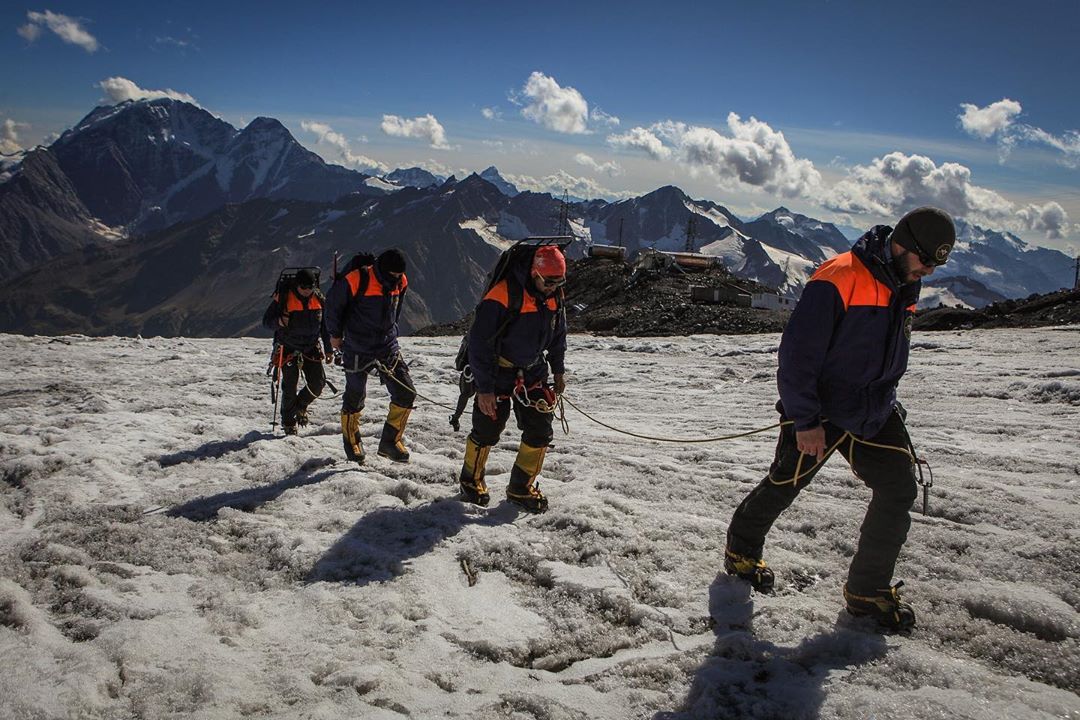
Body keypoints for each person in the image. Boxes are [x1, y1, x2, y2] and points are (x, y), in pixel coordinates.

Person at [723, 207, 956, 631]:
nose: (929, 271)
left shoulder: (905, 282)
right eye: (926, 260)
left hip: (872, 411)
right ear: (902, 245)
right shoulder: (839, 276)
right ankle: (741, 552)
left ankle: (867, 592)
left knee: (898, 489)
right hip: (820, 412)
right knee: (784, 484)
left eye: (937, 264)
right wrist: (805, 419)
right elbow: (797, 354)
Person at [457, 245, 568, 513]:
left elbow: (558, 335)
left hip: (533, 372)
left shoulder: (553, 297)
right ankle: (470, 481)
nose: (554, 287)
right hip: (497, 374)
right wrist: (484, 389)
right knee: (487, 430)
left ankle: (520, 487)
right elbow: (479, 345)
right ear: (535, 273)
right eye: (549, 281)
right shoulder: (502, 295)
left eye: (559, 281)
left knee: (540, 430)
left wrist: (559, 370)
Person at [324, 248, 415, 464]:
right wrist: (335, 336)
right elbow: (333, 307)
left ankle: (390, 442)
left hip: (386, 346)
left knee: (406, 393)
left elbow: (396, 309)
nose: (395, 279)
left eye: (398, 275)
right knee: (355, 397)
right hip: (357, 347)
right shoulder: (357, 279)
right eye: (391, 275)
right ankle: (352, 442)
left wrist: (392, 332)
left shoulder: (401, 281)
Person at [262, 268, 332, 435]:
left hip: (311, 347)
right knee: (289, 387)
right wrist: (280, 321)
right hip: (288, 348)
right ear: (297, 286)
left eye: (310, 288)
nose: (307, 291)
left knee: (318, 383)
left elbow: (325, 327)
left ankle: (300, 406)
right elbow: (266, 322)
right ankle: (288, 422)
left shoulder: (319, 299)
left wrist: (329, 349)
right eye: (304, 288)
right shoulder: (284, 298)